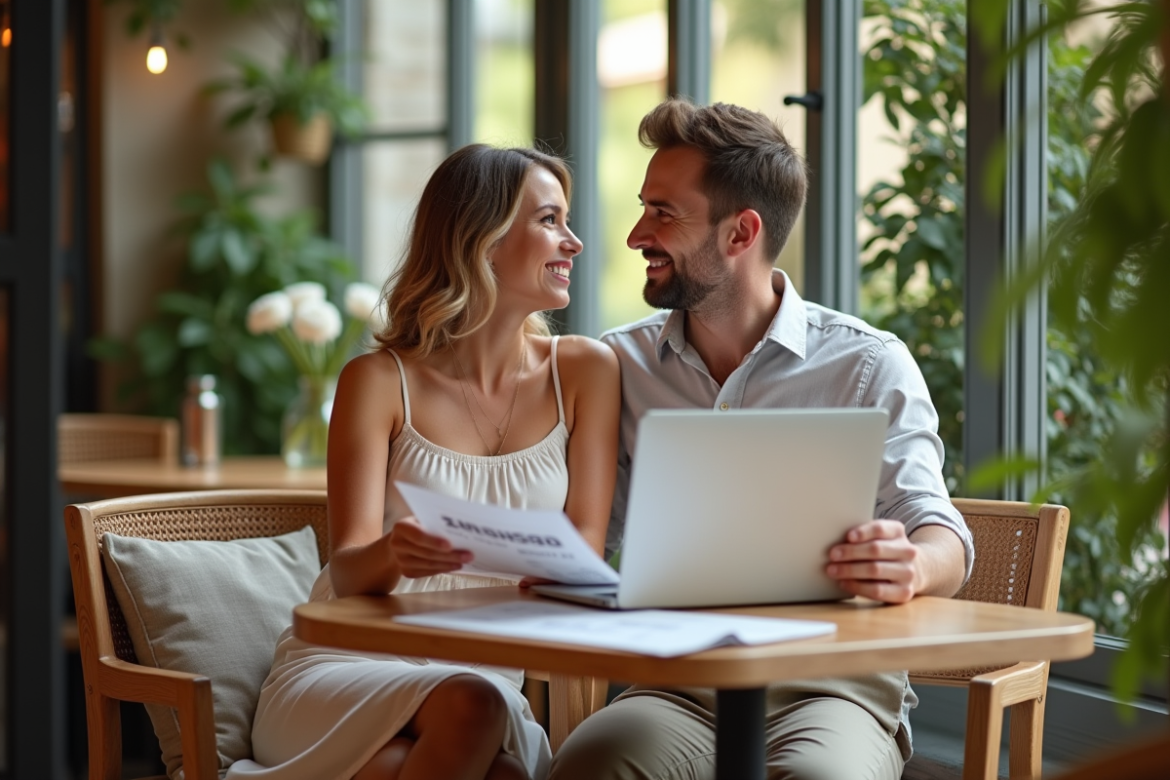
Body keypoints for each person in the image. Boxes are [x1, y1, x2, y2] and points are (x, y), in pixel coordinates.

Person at [546, 100, 975, 780]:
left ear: (740, 233)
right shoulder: (616, 367)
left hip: (833, 690)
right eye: (643, 207)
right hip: (675, 687)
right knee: (591, 766)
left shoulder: (867, 364)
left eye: (664, 213)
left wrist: (912, 566)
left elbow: (940, 532)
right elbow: (579, 538)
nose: (635, 235)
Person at [227, 144, 620, 780]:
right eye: (549, 221)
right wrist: (395, 553)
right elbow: (351, 573)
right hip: (346, 666)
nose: (572, 242)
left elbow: (582, 556)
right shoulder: (378, 381)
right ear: (483, 240)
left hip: (480, 681)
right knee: (476, 723)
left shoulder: (584, 372)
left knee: (487, 758)